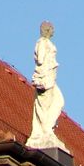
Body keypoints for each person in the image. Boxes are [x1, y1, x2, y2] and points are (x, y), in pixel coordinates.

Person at [26, 21, 64, 149]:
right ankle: (44, 132)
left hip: (50, 77)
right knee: (44, 105)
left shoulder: (46, 43)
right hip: (45, 78)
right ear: (47, 30)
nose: (53, 31)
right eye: (52, 29)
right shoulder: (42, 43)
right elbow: (41, 60)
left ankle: (47, 128)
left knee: (58, 101)